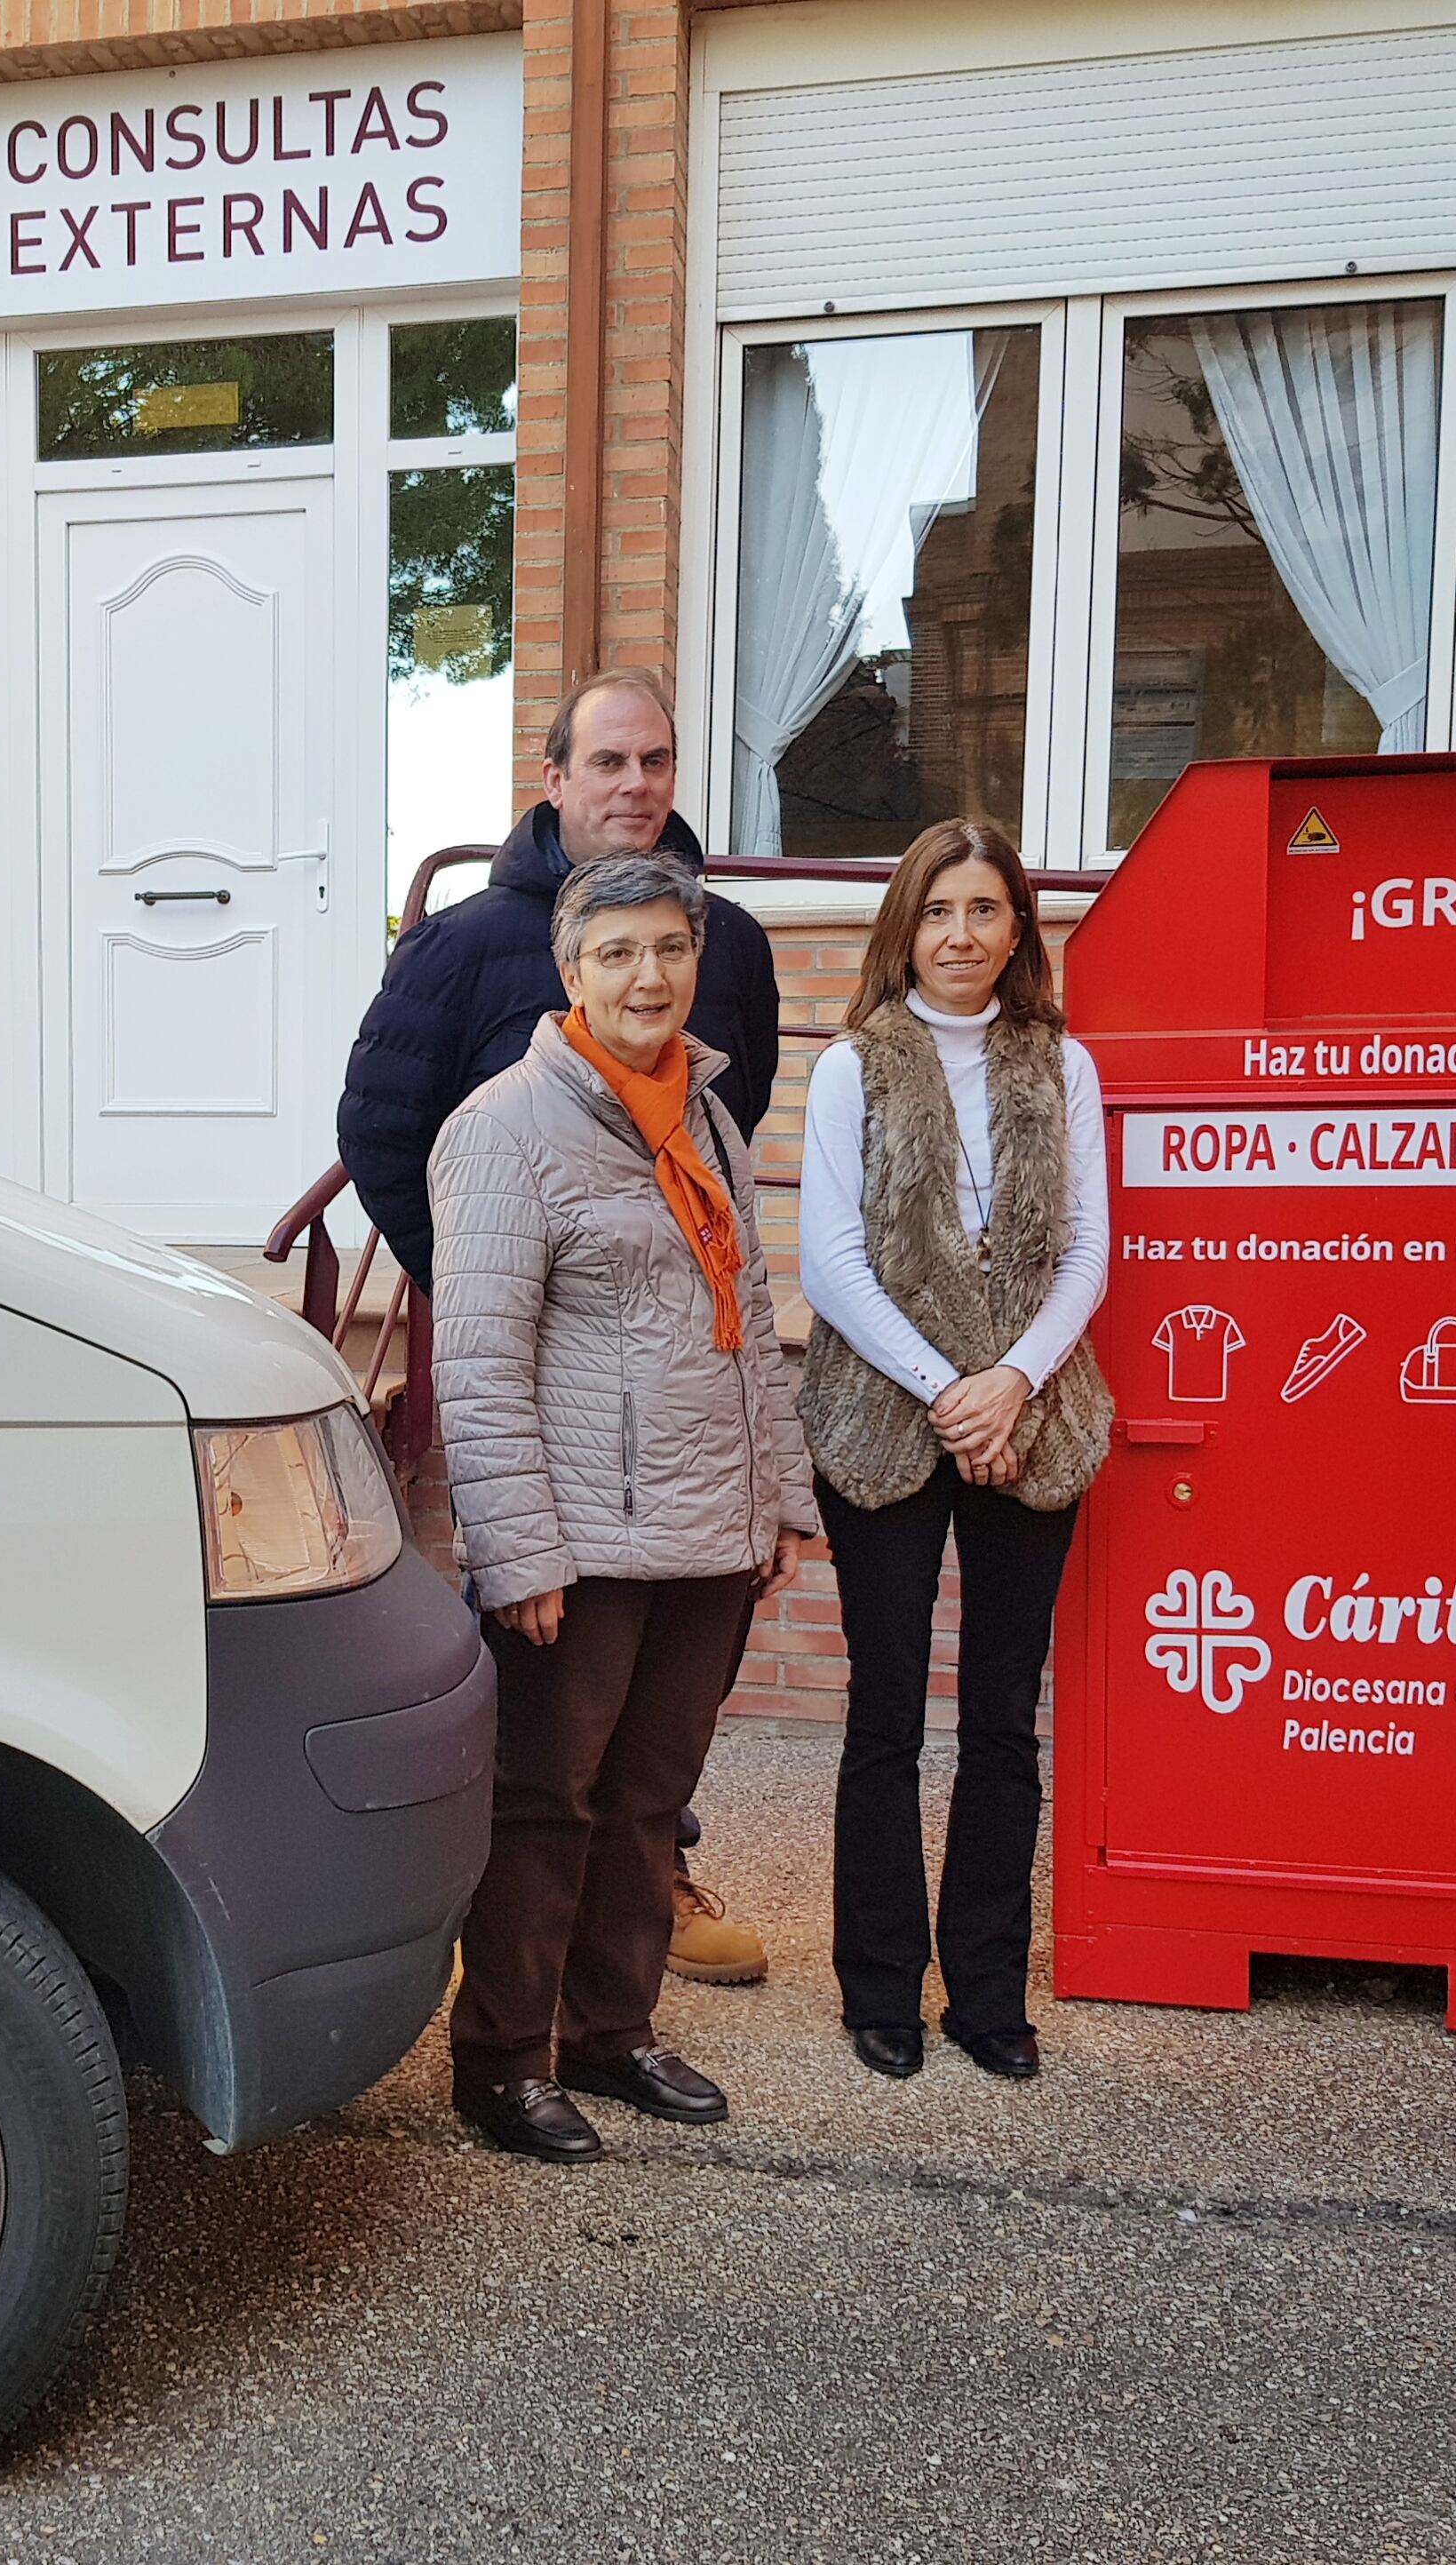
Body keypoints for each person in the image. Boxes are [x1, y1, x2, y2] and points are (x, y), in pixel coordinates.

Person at [338, 667, 782, 1988]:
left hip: (676, 1426)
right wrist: (493, 1290)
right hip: (544, 1414)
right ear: (552, 779)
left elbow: (720, 1148)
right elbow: (377, 1131)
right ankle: (517, 2022)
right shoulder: (464, 942)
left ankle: (626, 1965)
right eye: (607, 763)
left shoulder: (732, 946)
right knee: (552, 1751)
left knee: (648, 1751)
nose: (635, 786)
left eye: (655, 760)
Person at [427, 856, 820, 2162]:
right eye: (617, 954)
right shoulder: (501, 1126)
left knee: (652, 1799)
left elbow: (748, 1316)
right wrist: (516, 1552)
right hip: (581, 1541)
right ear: (568, 970)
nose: (647, 976)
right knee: (547, 1802)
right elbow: (476, 1361)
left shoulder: (702, 1112)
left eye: (667, 948)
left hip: (707, 1528)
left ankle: (610, 2033)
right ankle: (499, 2059)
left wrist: (777, 1499)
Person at [794, 816, 1114, 2083]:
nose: (960, 937)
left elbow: (1088, 1247)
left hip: (1032, 1417)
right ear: (903, 928)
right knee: (883, 1718)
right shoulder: (850, 1066)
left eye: (984, 912)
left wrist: (1013, 1381)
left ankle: (986, 1993)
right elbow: (829, 1262)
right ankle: (878, 1989)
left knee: (1000, 1723)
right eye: (938, 912)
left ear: (1016, 930)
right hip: (882, 1421)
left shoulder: (1059, 1063)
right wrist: (948, 1390)